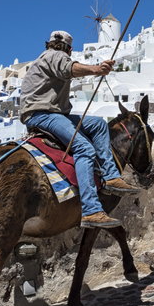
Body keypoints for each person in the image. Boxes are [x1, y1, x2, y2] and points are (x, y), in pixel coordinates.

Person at [20, 30, 141, 229]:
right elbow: (70, 69)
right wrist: (97, 69)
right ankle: (91, 210)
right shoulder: (55, 56)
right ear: (69, 49)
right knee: (84, 148)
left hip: (55, 114)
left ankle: (111, 177)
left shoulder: (46, 57)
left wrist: (97, 70)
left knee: (99, 124)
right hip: (43, 115)